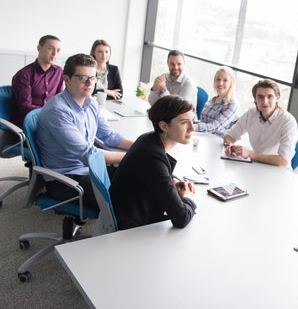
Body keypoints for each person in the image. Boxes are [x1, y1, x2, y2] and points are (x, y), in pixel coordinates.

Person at [37, 54, 133, 211]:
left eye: (92, 78)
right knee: (125, 199)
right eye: (82, 78)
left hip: (89, 169)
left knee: (140, 176)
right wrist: (132, 156)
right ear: (66, 80)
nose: (90, 83)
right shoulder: (57, 111)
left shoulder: (91, 103)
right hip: (66, 179)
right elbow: (89, 154)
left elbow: (109, 136)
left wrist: (139, 147)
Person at [109, 95, 197, 230]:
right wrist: (188, 198)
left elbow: (154, 178)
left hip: (130, 213)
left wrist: (171, 184)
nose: (192, 128)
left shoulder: (148, 139)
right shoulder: (153, 157)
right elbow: (181, 218)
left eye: (193, 120)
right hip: (133, 228)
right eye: (184, 122)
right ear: (164, 126)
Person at [223, 79, 298, 167]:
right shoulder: (251, 113)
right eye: (260, 97)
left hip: (277, 171)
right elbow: (229, 136)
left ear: (277, 98)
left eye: (269, 96)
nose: (265, 101)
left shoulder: (288, 121)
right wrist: (230, 146)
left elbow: (283, 161)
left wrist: (250, 154)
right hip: (255, 165)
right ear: (255, 99)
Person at [11, 35, 63, 127]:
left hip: (50, 119)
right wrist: (51, 113)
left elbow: (59, 100)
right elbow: (25, 107)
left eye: (58, 50)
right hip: (27, 121)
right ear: (39, 48)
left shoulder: (59, 72)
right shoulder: (24, 75)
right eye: (50, 48)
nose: (55, 53)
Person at [193, 66, 239, 138]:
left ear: (231, 84)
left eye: (225, 80)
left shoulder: (232, 105)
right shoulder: (212, 100)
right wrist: (191, 123)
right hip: (203, 136)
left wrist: (193, 127)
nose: (220, 83)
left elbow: (215, 126)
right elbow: (203, 121)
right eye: (218, 79)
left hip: (217, 141)